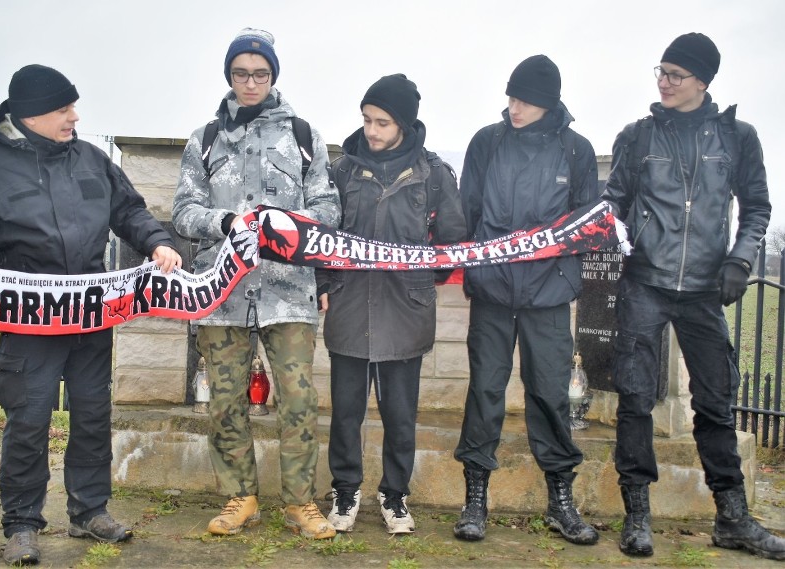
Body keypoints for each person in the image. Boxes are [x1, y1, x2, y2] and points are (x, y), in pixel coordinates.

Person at [0, 64, 182, 566]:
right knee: (28, 421)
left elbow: (130, 212)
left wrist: (157, 243)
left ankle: (90, 512)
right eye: (63, 109)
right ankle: (22, 524)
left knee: (92, 414)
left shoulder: (93, 160)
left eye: (73, 106)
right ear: (30, 116)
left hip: (91, 317)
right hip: (27, 324)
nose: (75, 116)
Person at [602, 33, 783, 560]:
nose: (664, 81)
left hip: (705, 289)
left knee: (717, 401)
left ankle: (734, 519)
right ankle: (637, 516)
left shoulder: (738, 138)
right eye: (660, 70)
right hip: (644, 283)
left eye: (676, 74)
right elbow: (613, 202)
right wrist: (606, 231)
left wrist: (741, 259)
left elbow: (757, 208)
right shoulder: (637, 137)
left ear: (704, 81)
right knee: (635, 399)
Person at [172, 28, 340, 540]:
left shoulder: (303, 135)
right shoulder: (204, 139)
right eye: (242, 73)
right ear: (229, 75)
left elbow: (329, 209)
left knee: (297, 400)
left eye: (261, 74)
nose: (251, 82)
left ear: (273, 77)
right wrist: (226, 223)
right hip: (222, 294)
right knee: (224, 401)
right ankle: (239, 496)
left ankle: (300, 503)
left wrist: (283, 224)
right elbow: (183, 211)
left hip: (287, 292)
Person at [452, 55, 600, 545]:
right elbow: (468, 212)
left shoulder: (576, 152)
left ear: (548, 102)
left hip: (548, 297)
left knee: (550, 396)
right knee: (486, 393)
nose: (513, 107)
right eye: (511, 97)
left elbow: (584, 226)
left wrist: (559, 271)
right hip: (493, 293)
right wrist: (477, 268)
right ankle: (475, 499)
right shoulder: (486, 143)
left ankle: (561, 499)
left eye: (525, 100)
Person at [318, 74, 467, 534]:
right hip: (348, 305)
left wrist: (421, 280)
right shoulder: (341, 171)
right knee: (345, 412)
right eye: (366, 119)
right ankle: (345, 491)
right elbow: (320, 234)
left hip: (406, 309)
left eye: (382, 122)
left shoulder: (434, 174)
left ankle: (395, 494)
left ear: (403, 123)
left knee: (401, 413)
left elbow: (452, 241)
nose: (372, 131)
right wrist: (326, 280)